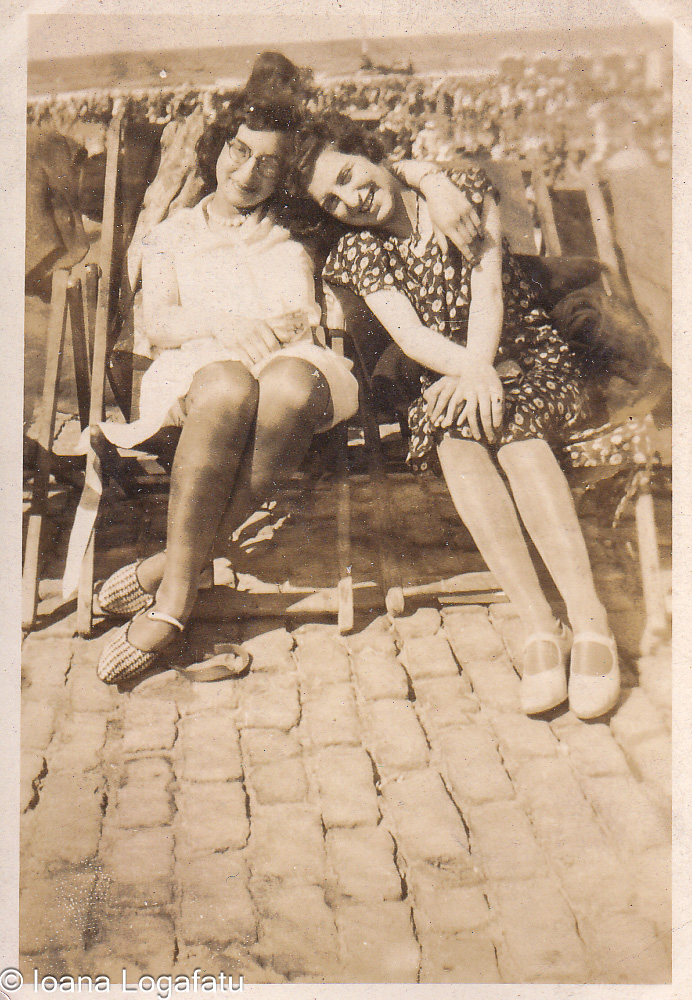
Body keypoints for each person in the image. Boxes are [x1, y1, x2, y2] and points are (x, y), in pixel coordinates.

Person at [290, 112, 620, 719]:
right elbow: (411, 337)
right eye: (331, 200)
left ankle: (590, 620)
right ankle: (540, 626)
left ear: (372, 154)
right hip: (443, 374)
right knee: (458, 447)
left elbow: (488, 291)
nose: (350, 198)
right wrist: (471, 374)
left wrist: (482, 370)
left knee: (518, 441)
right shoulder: (359, 252)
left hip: (524, 350)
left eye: (349, 174)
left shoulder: (460, 195)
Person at [95, 96, 361, 685]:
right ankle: (176, 594)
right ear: (219, 148)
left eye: (269, 161)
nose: (248, 171)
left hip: (292, 365)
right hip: (200, 365)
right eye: (240, 150)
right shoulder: (169, 234)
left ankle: (169, 578)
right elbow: (160, 321)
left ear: (285, 172)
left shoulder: (297, 230)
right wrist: (227, 325)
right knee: (227, 385)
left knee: (287, 386)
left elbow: (301, 315)